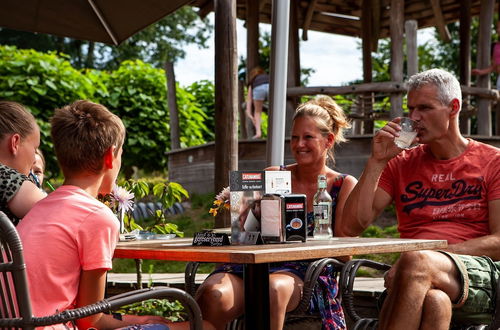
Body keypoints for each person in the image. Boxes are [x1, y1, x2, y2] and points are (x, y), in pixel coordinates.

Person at [17, 100, 214, 330]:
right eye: (121, 153)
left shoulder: (40, 207)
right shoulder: (96, 216)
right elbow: (89, 319)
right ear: (110, 156)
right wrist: (141, 319)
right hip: (54, 326)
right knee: (205, 327)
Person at [339, 69, 500, 329]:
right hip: (414, 281)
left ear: (453, 107)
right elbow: (349, 228)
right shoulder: (400, 163)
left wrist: (425, 257)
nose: (414, 118)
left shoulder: (492, 162)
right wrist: (377, 161)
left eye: (424, 108)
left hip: (478, 279)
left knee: (416, 259)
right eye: (411, 108)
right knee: (436, 302)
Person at [197, 96, 358, 330]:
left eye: (308, 137)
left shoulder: (342, 184)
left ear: (328, 140)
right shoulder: (274, 175)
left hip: (308, 276)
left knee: (272, 289)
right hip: (256, 268)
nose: (299, 144)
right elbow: (245, 233)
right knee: (214, 293)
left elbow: (345, 255)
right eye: (294, 138)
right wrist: (246, 214)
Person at [0, 100, 46, 224]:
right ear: (15, 143)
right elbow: (58, 212)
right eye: (34, 149)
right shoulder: (5, 177)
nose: (33, 160)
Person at [472, 21, 500, 89]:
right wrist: (481, 72)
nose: (498, 30)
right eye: (498, 27)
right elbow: (494, 66)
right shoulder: (496, 46)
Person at [245, 66, 269, 139]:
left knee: (258, 112)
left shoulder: (253, 81)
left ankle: (258, 133)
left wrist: (249, 113)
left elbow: (249, 99)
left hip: (258, 88)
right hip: (270, 85)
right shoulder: (267, 76)